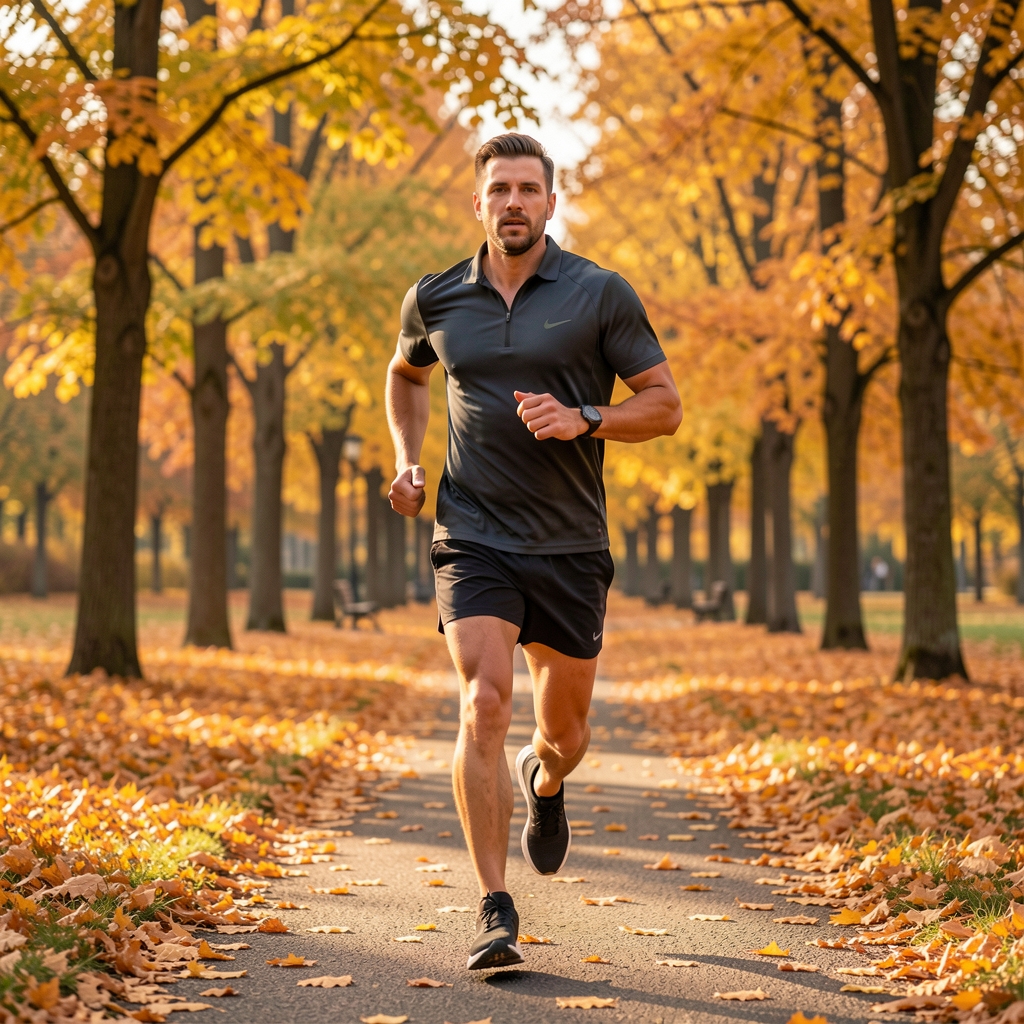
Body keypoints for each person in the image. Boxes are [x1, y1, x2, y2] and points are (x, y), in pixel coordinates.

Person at [385, 133, 681, 971]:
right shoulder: (436, 298)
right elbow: (406, 377)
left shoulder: (599, 295)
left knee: (567, 733)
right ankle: (492, 907)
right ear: (476, 203)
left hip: (569, 544)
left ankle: (544, 782)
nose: (513, 202)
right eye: (499, 189)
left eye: (528, 188)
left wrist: (586, 417)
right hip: (472, 532)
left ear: (552, 202)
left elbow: (664, 407)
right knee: (483, 699)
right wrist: (409, 462)